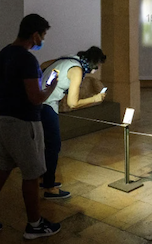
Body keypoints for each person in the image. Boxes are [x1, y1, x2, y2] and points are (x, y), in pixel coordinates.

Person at [0, 13, 61, 240]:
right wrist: (51, 87)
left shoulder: (4, 54)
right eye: (43, 35)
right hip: (24, 123)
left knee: (2, 167)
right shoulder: (26, 59)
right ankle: (35, 225)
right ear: (35, 34)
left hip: (5, 119)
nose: (43, 41)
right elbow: (35, 97)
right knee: (32, 174)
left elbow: (0, 88)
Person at [39, 46, 107, 199]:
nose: (97, 69)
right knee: (54, 145)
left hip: (41, 101)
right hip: (46, 105)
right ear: (93, 62)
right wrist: (95, 99)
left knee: (49, 145)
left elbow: (44, 66)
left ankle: (44, 178)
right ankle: (49, 188)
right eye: (98, 65)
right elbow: (72, 103)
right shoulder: (77, 70)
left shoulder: (68, 58)